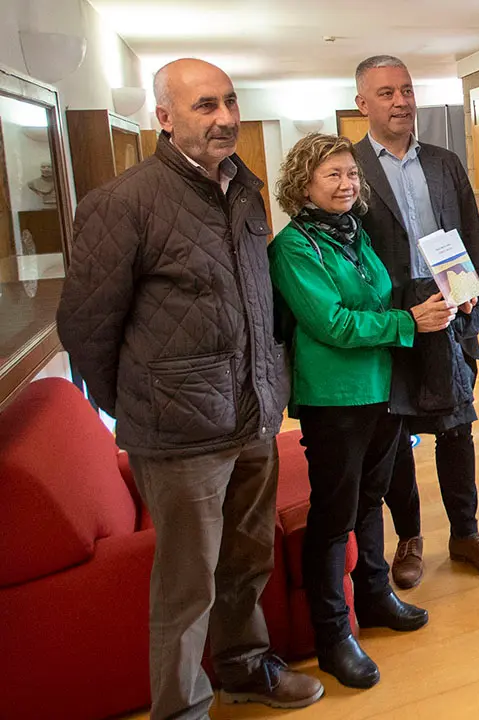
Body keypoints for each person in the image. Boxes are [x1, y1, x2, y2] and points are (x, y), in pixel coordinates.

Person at [56, 58, 323, 718]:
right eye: (206, 106)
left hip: (255, 418)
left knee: (245, 565)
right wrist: (145, 405)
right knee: (185, 590)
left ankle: (245, 669)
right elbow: (86, 329)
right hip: (178, 440)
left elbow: (255, 301)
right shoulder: (122, 204)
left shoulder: (245, 190)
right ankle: (182, 710)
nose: (225, 118)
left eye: (230, 103)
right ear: (165, 118)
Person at [269, 133, 449, 688]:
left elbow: (374, 296)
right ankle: (332, 634)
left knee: (370, 501)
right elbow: (331, 323)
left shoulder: (354, 235)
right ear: (304, 184)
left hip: (381, 387)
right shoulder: (294, 247)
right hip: (335, 398)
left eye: (351, 174)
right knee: (332, 517)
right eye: (333, 176)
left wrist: (437, 300)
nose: (347, 184)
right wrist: (407, 324)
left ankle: (373, 597)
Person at [350, 55, 479, 584]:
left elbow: (467, 232)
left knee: (456, 427)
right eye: (386, 93)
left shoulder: (443, 162)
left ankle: (465, 533)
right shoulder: (351, 168)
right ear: (363, 104)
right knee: (395, 435)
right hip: (393, 316)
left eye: (406, 90)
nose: (400, 101)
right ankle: (409, 539)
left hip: (452, 309)